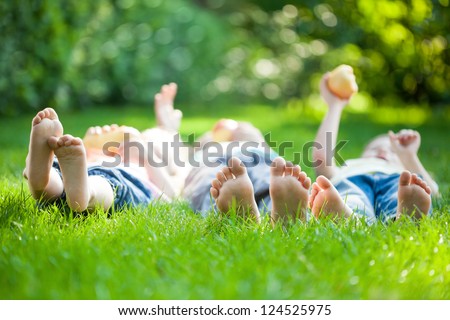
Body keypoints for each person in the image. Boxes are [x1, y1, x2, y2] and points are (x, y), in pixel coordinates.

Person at [309, 73, 439, 223]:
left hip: (396, 182)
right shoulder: (349, 168)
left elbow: (433, 193)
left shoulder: (405, 174)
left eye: (392, 151)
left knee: (400, 195)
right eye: (374, 148)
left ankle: (404, 218)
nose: (383, 151)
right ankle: (349, 218)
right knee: (351, 197)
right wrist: (335, 106)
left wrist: (408, 156)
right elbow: (321, 158)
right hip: (352, 181)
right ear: (362, 155)